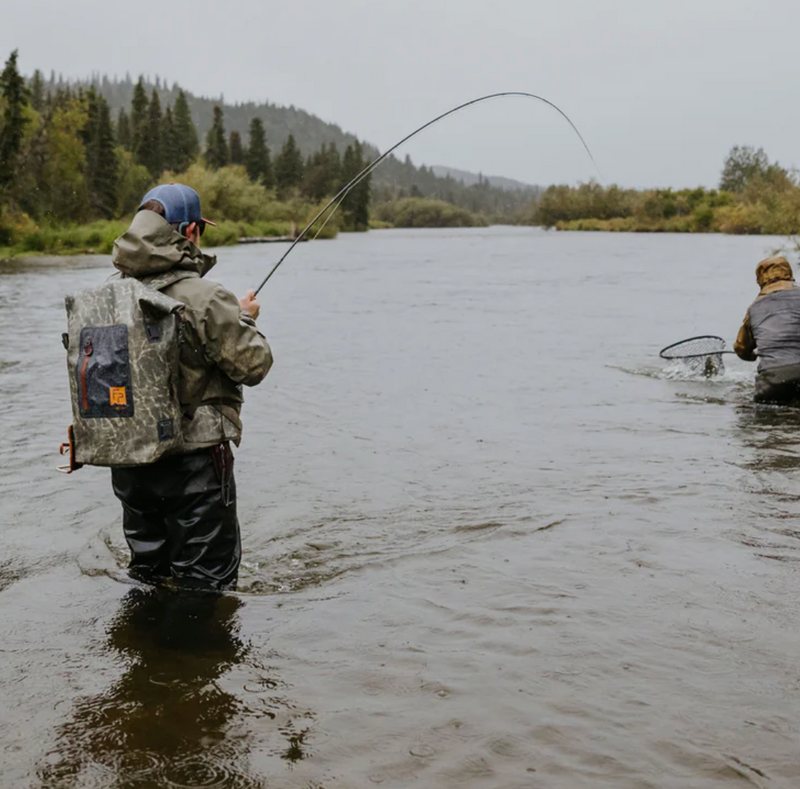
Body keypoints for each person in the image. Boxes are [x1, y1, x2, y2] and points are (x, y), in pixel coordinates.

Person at [109, 184, 273, 590]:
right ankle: (197, 651)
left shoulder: (111, 291)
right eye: (200, 227)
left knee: (147, 573)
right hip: (194, 466)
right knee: (206, 584)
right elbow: (253, 365)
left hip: (129, 461)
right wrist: (244, 318)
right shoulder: (207, 296)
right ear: (189, 232)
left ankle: (144, 647)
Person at [734, 255, 800, 404]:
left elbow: (742, 349)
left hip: (773, 383)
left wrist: (752, 355)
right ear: (789, 275)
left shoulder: (754, 308)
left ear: (761, 280)